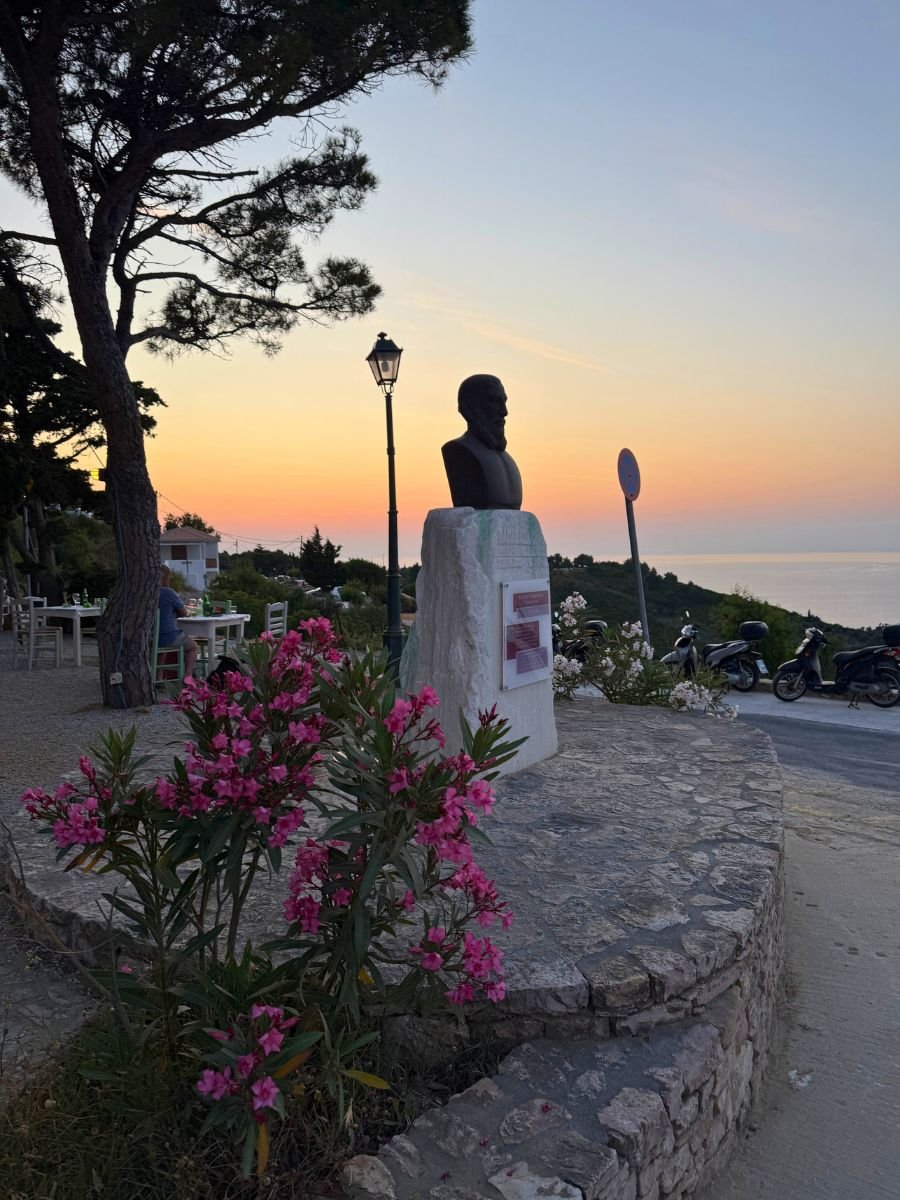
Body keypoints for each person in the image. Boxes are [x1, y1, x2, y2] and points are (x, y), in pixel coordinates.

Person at [441, 374, 523, 509]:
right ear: (468, 409)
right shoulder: (458, 450)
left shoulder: (508, 459)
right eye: (493, 401)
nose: (504, 411)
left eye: (503, 401)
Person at [158, 565, 198, 681]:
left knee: (161, 649)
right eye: (168, 578)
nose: (169, 580)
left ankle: (158, 677)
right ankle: (188, 676)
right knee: (192, 646)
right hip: (168, 637)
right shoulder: (168, 592)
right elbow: (184, 612)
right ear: (164, 577)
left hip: (151, 639)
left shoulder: (146, 593)